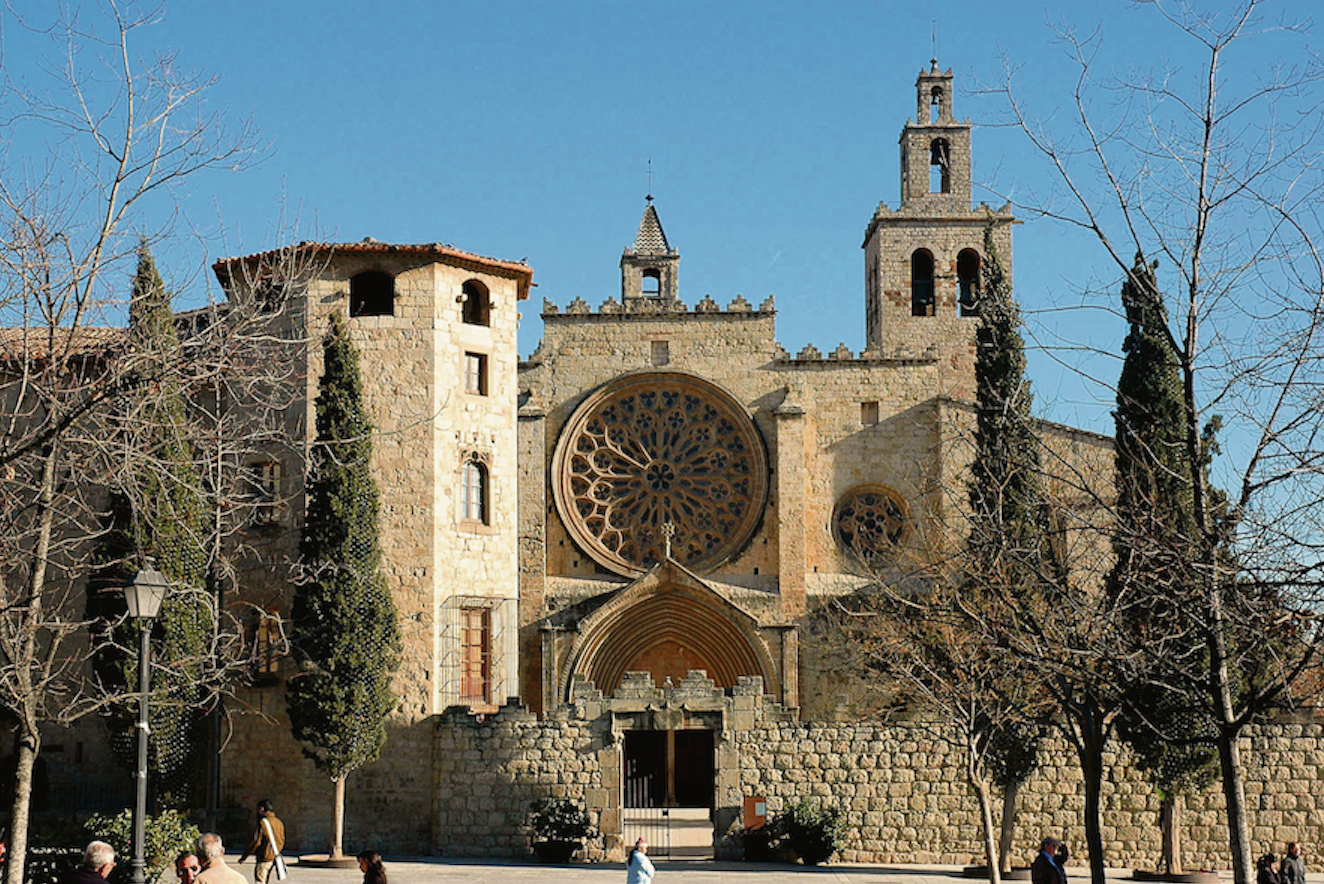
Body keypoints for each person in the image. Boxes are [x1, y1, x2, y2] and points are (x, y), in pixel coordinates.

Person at [239, 799, 286, 884]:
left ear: (262, 809)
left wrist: (245, 856)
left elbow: (256, 842)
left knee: (260, 881)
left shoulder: (263, 823)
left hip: (264, 857)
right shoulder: (279, 822)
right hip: (273, 857)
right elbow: (282, 840)